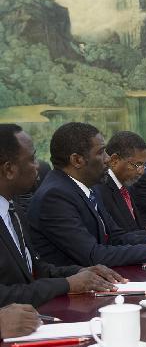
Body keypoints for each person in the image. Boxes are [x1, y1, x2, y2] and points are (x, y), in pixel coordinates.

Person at [28, 123, 146, 267]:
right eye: (100, 153)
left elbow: (117, 237)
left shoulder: (86, 188)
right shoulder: (55, 196)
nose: (107, 159)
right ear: (77, 160)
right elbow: (93, 254)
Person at [0, 124, 121, 308]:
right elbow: (6, 293)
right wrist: (67, 284)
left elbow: (36, 269)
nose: (38, 166)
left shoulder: (12, 209)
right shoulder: (51, 195)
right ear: (9, 169)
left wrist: (80, 272)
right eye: (32, 159)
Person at [95, 131, 146, 238]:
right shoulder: (100, 191)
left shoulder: (127, 187)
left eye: (144, 165)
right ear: (114, 160)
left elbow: (134, 229)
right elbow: (116, 238)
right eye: (137, 165)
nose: (141, 171)